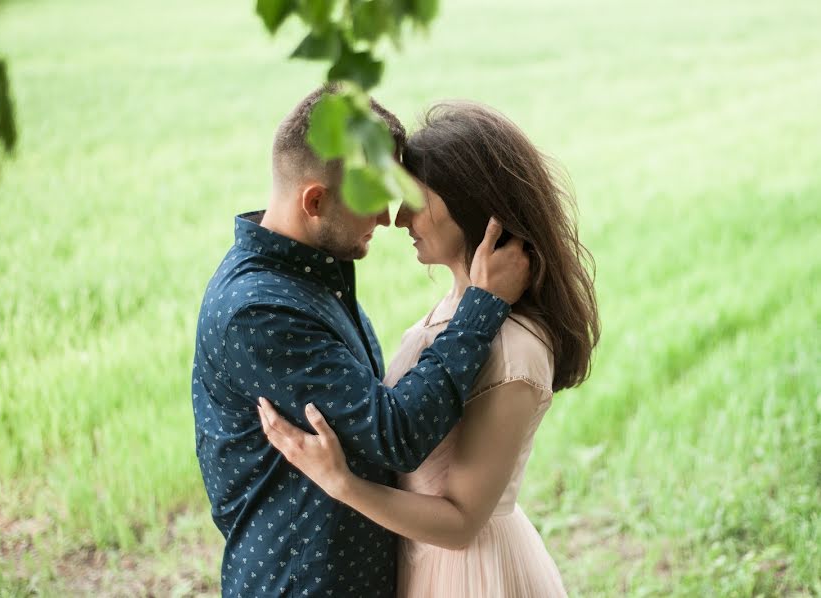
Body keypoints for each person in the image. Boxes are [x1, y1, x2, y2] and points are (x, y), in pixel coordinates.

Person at [191, 87, 530, 597]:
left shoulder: (312, 274)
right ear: (315, 200)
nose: (386, 218)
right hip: (305, 584)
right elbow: (396, 436)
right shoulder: (260, 311)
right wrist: (481, 306)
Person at [258, 101, 601, 597]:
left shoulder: (513, 348)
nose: (397, 220)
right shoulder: (463, 309)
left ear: (470, 205)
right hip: (423, 561)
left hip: (469, 576)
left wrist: (342, 484)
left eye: (414, 201)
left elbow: (461, 522)